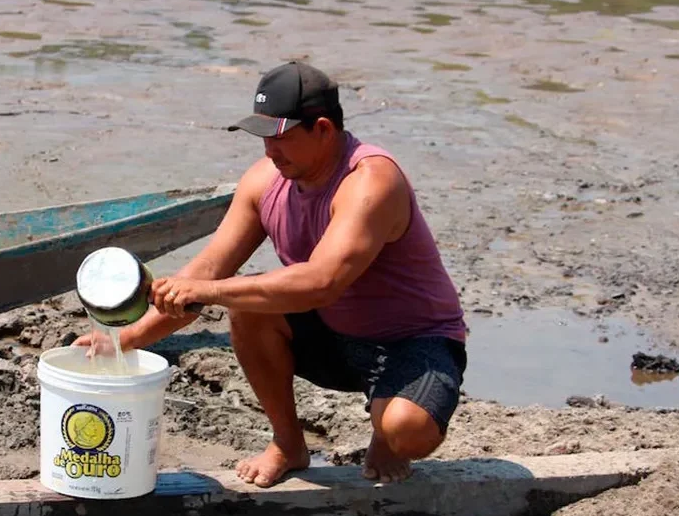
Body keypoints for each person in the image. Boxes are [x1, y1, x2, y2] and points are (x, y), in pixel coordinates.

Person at [74, 61, 468, 488]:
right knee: (247, 307)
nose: (269, 151)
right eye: (263, 138)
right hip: (334, 338)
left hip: (413, 339)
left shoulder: (370, 181)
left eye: (280, 138)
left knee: (404, 428)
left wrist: (208, 290)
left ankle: (386, 431)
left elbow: (321, 282)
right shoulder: (263, 182)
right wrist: (124, 340)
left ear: (323, 130)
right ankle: (288, 444)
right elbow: (207, 269)